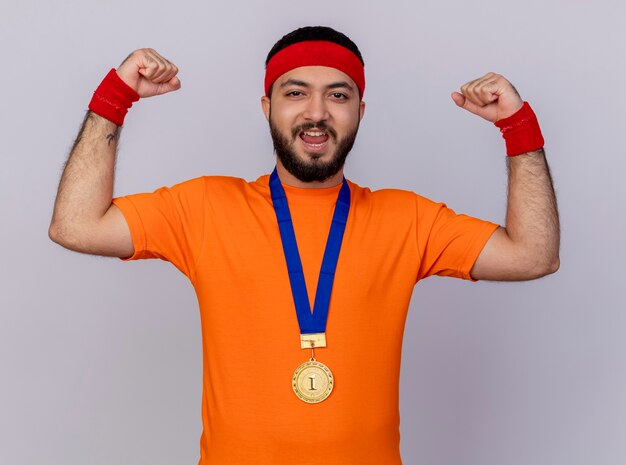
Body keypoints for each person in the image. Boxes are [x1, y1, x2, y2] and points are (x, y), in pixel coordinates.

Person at [49, 26, 559, 465]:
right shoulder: (204, 207)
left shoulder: (408, 218)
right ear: (267, 106)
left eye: (338, 95)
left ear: (361, 108)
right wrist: (115, 96)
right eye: (296, 93)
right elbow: (76, 225)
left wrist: (518, 127)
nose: (317, 113)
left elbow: (533, 255)